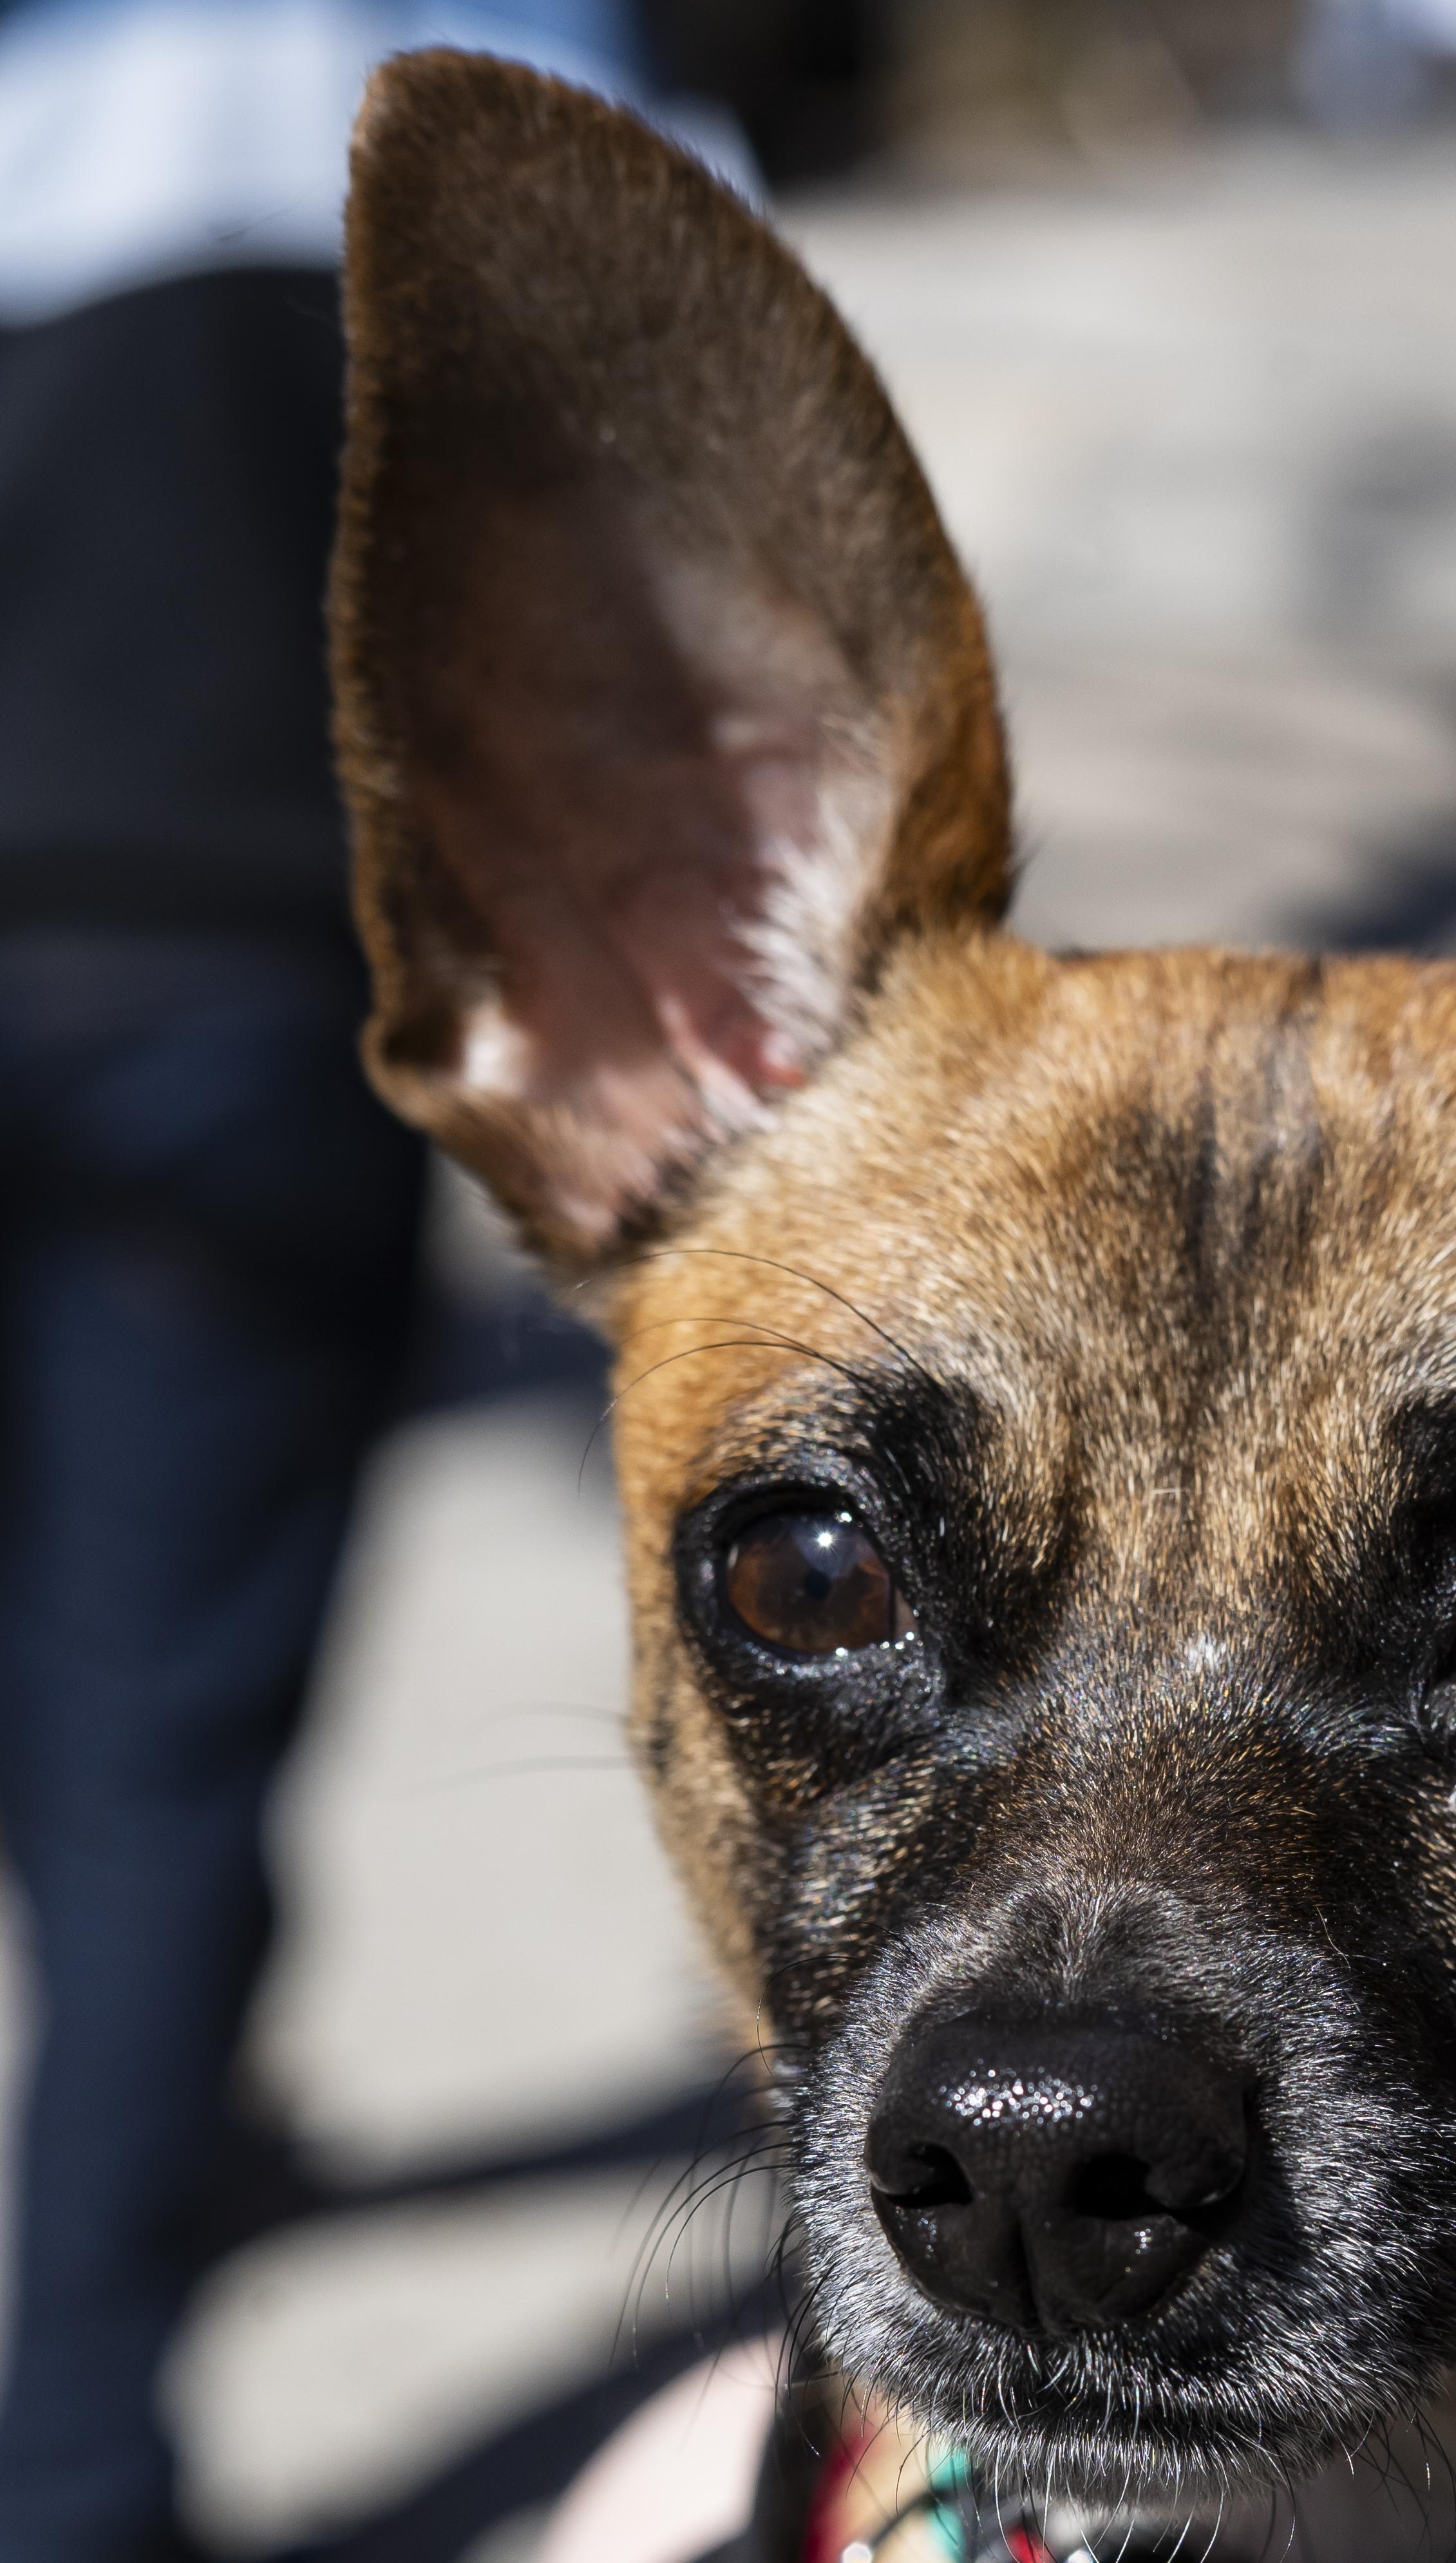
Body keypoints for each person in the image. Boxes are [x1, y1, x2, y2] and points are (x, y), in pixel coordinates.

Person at [0, 9, 747, 2557]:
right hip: (236, 980)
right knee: (160, 1729)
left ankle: (149, 2146)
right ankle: (73, 2467)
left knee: (97, 1706)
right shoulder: (496, 89)